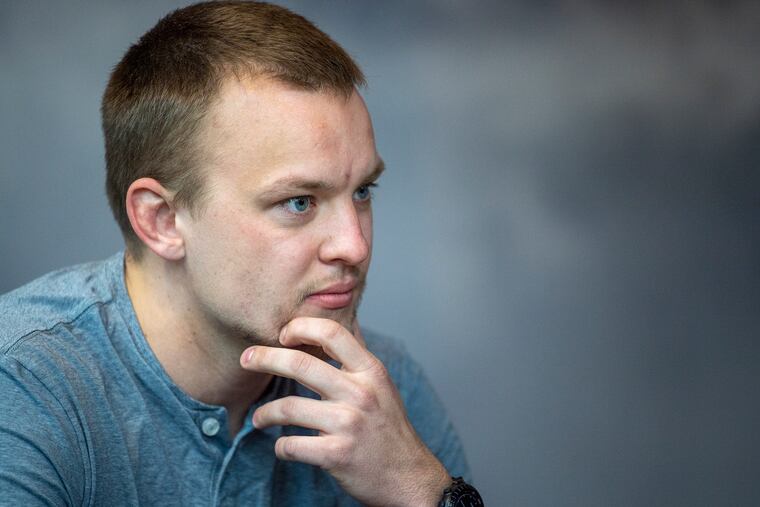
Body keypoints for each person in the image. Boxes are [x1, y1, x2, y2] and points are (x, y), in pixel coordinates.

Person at [0, 2, 483, 505]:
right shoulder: (23, 386)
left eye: (362, 191)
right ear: (162, 220)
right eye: (299, 202)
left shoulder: (377, 395)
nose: (355, 245)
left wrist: (420, 487)